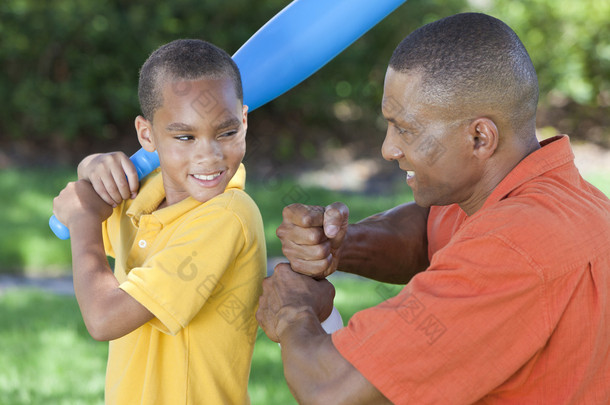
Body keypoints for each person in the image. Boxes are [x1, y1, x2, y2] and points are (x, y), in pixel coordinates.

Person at [256, 13, 610, 404]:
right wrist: (342, 243)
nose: (388, 149)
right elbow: (428, 232)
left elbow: (331, 389)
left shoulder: (509, 249)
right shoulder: (549, 194)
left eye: (405, 129)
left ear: (480, 137)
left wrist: (292, 311)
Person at [53, 39, 266, 404]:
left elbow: (104, 318)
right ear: (146, 134)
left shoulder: (229, 215)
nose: (209, 155)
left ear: (244, 121)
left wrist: (84, 219)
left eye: (227, 132)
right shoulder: (140, 197)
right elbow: (70, 208)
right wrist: (90, 167)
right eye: (185, 136)